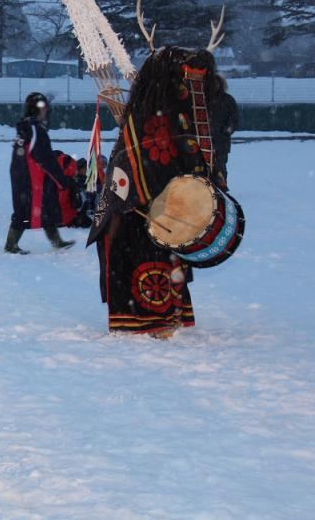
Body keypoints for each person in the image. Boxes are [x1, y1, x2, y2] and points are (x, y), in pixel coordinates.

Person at [87, 47, 226, 338]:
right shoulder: (151, 112)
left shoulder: (172, 110)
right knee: (144, 256)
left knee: (164, 254)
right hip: (134, 208)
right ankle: (147, 319)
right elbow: (146, 161)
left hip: (158, 208)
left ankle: (167, 314)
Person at [5, 92, 77, 254]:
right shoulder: (35, 129)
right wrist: (62, 180)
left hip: (23, 176)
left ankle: (56, 241)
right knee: (26, 210)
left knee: (45, 208)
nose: (46, 110)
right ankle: (10, 245)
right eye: (43, 107)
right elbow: (46, 159)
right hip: (32, 178)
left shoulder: (26, 127)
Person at [207, 73, 239, 188]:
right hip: (206, 139)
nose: (214, 86)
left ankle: (221, 185)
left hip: (222, 141)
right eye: (212, 83)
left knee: (220, 165)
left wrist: (227, 130)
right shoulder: (204, 99)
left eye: (217, 83)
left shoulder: (228, 100)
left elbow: (234, 119)